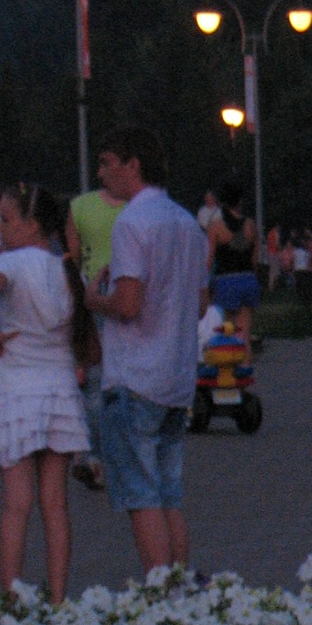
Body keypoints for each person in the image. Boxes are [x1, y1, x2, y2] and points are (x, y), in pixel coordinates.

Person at [83, 126, 209, 573]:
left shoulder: (131, 223)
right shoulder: (188, 223)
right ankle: (180, 585)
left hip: (135, 376)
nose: (101, 174)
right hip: (177, 378)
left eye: (107, 163)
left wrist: (94, 299)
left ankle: (159, 591)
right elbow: (200, 304)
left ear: (133, 165)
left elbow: (128, 304)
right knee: (169, 494)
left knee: (142, 496)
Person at [0, 183, 93, 603]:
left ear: (32, 225)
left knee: (16, 505)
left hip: (17, 393)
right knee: (55, 505)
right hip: (60, 391)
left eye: (6, 220)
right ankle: (58, 600)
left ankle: (13, 600)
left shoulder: (11, 261)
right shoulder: (66, 269)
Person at [66, 151, 130, 493]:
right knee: (121, 379)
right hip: (128, 290)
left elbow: (73, 259)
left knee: (95, 380)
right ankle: (118, 457)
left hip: (94, 290)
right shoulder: (139, 206)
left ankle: (94, 456)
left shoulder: (79, 206)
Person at [206, 182, 260, 343]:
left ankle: (230, 360)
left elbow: (208, 261)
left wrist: (204, 286)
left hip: (226, 282)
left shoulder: (215, 227)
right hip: (248, 280)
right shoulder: (251, 225)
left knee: (228, 335)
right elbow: (254, 260)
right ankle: (246, 358)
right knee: (244, 334)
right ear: (240, 201)